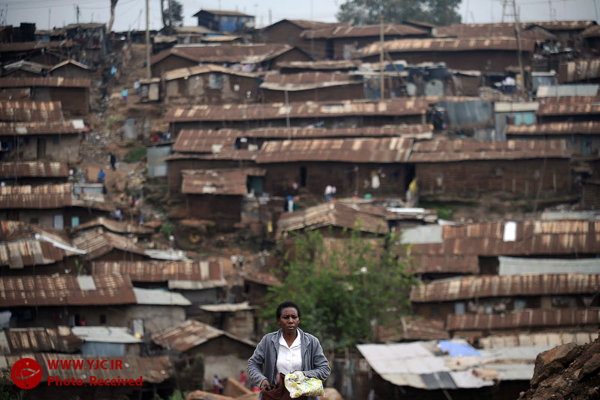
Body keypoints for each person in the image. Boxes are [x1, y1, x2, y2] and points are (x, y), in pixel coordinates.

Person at [247, 301, 330, 400]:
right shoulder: (268, 341)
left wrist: (303, 375)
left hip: (304, 396)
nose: (290, 321)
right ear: (278, 321)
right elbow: (252, 364)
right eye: (286, 317)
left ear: (299, 320)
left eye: (294, 317)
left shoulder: (311, 342)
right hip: (274, 395)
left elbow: (324, 369)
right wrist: (262, 380)